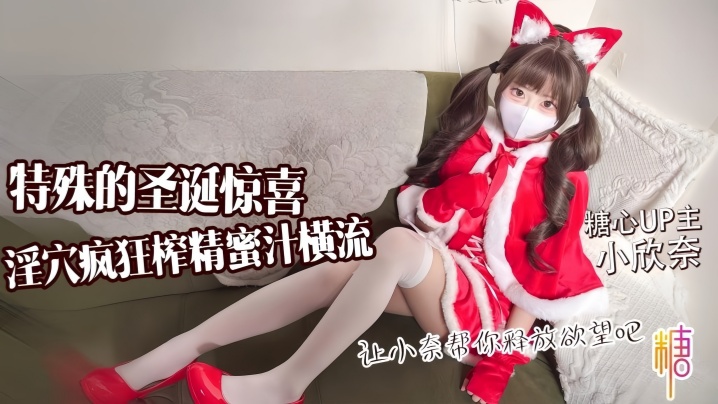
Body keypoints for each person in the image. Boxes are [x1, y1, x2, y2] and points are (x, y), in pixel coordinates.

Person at [79, 1, 622, 403]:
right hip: (440, 271)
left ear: (565, 115)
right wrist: (454, 195)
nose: (527, 108)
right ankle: (174, 354)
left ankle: (284, 385)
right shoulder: (475, 138)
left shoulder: (564, 178)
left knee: (397, 246)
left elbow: (546, 276)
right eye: (520, 92)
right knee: (340, 271)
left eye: (546, 103)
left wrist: (498, 366)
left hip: (485, 312)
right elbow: (426, 214)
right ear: (502, 85)